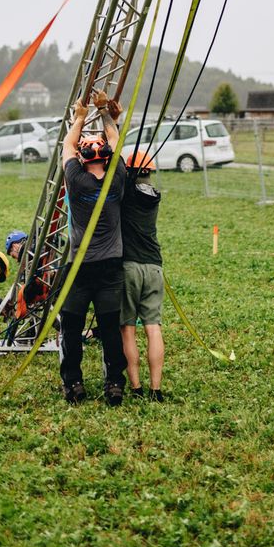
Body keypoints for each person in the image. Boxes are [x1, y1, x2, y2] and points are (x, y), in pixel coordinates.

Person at [59, 90, 127, 406]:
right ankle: (114, 384)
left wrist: (80, 118)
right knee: (110, 328)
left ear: (84, 159)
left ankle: (73, 384)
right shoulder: (117, 178)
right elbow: (115, 139)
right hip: (112, 265)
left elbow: (67, 146)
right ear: (105, 158)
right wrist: (103, 112)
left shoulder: (75, 181)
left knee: (71, 327)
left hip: (80, 267)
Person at [120, 150, 165, 402]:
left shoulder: (126, 194)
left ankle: (136, 388)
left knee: (127, 329)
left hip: (130, 267)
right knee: (153, 328)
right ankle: (156, 390)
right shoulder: (154, 196)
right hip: (154, 267)